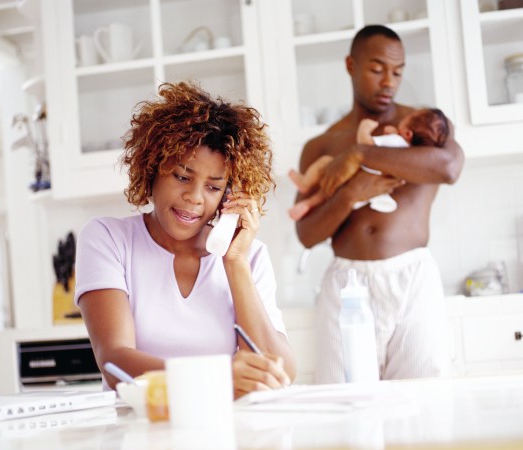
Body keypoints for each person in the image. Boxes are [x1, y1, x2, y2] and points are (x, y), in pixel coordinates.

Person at [75, 82, 295, 398]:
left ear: (229, 195)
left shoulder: (250, 256)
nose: (194, 198)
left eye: (213, 187)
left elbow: (281, 372)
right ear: (152, 169)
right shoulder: (108, 239)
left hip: (228, 432)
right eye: (182, 177)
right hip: (139, 432)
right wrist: (216, 377)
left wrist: (234, 265)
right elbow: (114, 362)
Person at [294, 25, 465, 383]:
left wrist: (359, 153)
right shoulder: (321, 145)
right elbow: (307, 235)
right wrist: (351, 194)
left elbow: (449, 168)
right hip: (346, 284)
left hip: (413, 278)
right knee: (347, 414)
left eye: (398, 71)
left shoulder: (425, 127)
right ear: (350, 65)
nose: (389, 81)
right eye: (376, 69)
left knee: (423, 410)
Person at [288, 107, 449, 220]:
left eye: (408, 118)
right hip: (365, 180)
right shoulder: (409, 153)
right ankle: (307, 204)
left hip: (356, 171)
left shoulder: (396, 141)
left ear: (407, 133)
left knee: (325, 163)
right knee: (327, 191)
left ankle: (306, 183)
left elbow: (366, 147)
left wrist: (363, 129)